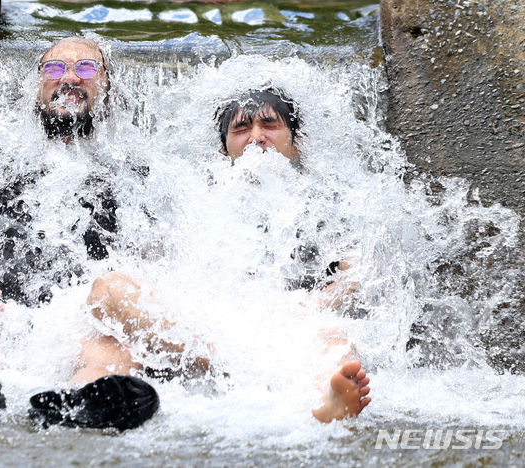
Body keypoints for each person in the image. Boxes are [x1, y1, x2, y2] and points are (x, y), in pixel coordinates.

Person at [0, 37, 163, 432]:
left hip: (82, 324)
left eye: (85, 69)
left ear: (108, 85)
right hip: (2, 318)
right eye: (54, 69)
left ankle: (79, 400)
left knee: (111, 347)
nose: (68, 78)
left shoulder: (132, 171)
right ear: (37, 86)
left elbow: (155, 269)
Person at [87, 87, 371, 423]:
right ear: (224, 152)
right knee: (107, 289)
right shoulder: (192, 198)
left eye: (270, 125)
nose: (256, 138)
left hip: (293, 330)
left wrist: (313, 306)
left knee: (335, 341)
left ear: (296, 144)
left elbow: (357, 274)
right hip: (207, 333)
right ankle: (243, 363)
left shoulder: (331, 201)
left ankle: (327, 402)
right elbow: (156, 267)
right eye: (241, 129)